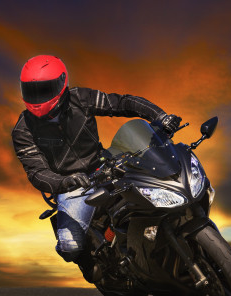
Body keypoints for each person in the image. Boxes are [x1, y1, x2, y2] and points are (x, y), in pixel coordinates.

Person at [11, 55, 181, 283]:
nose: (38, 97)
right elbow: (36, 172)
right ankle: (88, 260)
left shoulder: (81, 98)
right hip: (72, 185)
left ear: (62, 84)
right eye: (31, 90)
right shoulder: (23, 130)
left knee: (161, 182)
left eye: (44, 89)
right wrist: (65, 182)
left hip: (104, 164)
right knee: (70, 247)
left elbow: (122, 103)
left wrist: (159, 116)